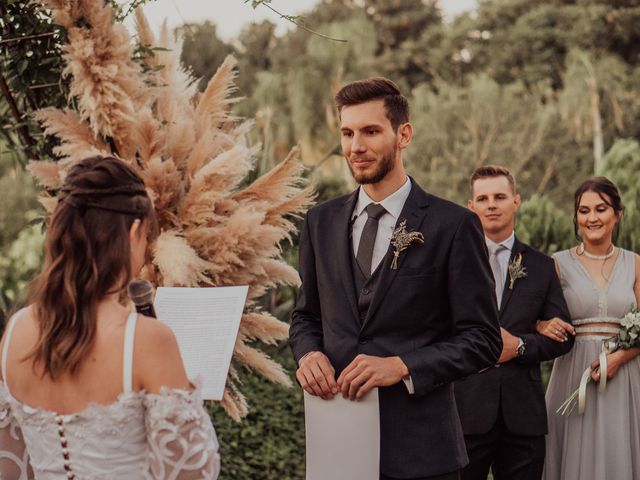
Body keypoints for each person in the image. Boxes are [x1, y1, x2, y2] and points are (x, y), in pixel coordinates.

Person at [289, 77, 502, 480]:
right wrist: (308, 354)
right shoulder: (320, 222)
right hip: (337, 444)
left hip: (423, 453)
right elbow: (305, 317)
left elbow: (483, 340)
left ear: (404, 134)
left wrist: (402, 366)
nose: (356, 147)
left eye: (371, 131)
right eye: (348, 133)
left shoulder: (453, 225)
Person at [0, 156, 220, 479]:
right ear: (133, 232)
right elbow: (193, 473)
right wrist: (187, 399)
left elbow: (10, 465)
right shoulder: (146, 340)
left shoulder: (15, 332)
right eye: (147, 237)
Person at [454, 165, 574, 480]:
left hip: (523, 418)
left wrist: (519, 346)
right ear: (471, 206)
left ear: (516, 201)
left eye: (499, 196)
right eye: (483, 198)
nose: (491, 204)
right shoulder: (452, 263)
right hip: (465, 411)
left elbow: (564, 335)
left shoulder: (542, 266)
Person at [541, 177, 640, 480]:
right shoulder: (556, 264)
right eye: (584, 211)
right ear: (576, 217)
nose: (592, 218)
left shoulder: (635, 263)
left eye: (601, 208)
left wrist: (619, 359)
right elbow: (532, 316)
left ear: (617, 214)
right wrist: (543, 324)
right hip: (572, 373)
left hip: (625, 376)